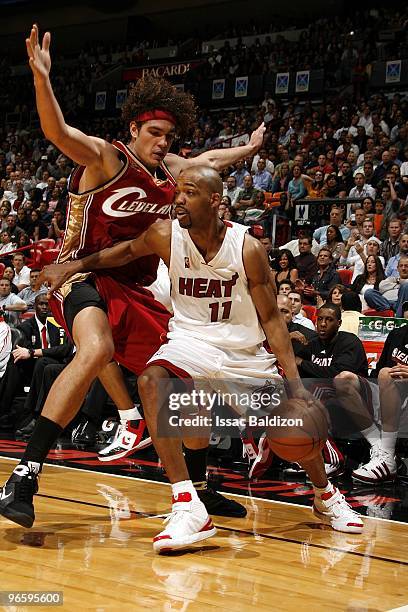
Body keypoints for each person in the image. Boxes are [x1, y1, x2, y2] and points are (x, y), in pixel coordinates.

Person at [0, 25, 266, 527]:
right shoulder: (108, 159)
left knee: (186, 384)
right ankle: (24, 476)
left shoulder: (174, 174)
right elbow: (58, 133)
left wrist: (248, 149)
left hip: (136, 288)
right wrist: (41, 80)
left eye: (169, 137)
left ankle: (201, 486)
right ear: (134, 132)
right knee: (96, 349)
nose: (163, 143)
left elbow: (211, 159)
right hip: (80, 274)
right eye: (155, 134)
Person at [46, 166, 363, 552]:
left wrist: (295, 385)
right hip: (190, 342)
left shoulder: (246, 248)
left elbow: (271, 320)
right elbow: (124, 252)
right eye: (177, 191)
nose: (178, 198)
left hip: (243, 353)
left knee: (294, 428)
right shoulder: (166, 234)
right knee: (152, 381)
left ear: (215, 201)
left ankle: (325, 494)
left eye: (189, 192)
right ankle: (187, 504)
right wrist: (73, 265)